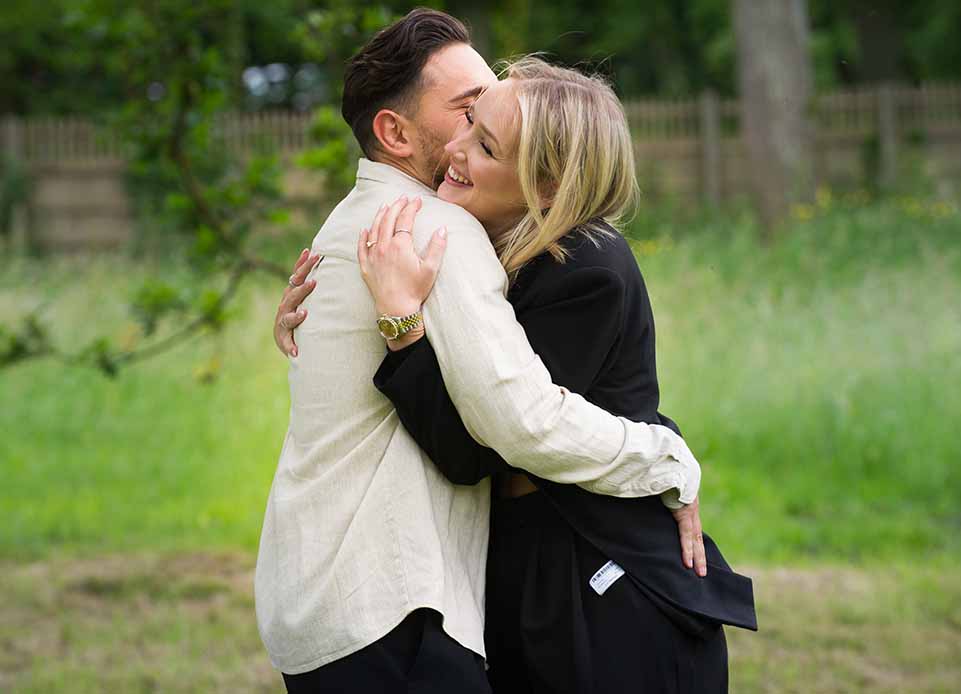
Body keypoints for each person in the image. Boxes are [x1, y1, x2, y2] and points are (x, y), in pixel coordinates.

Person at [257, 10, 707, 693]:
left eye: (486, 124)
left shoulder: (354, 225)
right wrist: (663, 455)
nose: (471, 137)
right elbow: (515, 421)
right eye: (467, 112)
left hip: (329, 599)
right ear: (395, 132)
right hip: (389, 603)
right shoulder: (438, 232)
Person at [352, 57, 756, 693]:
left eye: (484, 146)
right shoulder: (497, 250)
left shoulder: (584, 269)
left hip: (597, 580)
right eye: (467, 123)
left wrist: (401, 323)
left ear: (545, 188)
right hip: (533, 560)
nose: (453, 151)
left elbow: (471, 450)